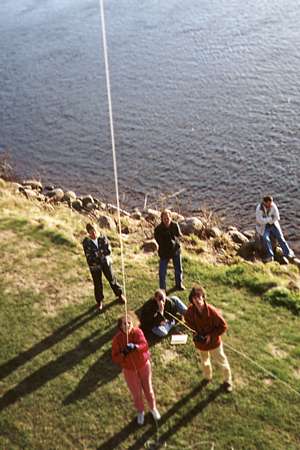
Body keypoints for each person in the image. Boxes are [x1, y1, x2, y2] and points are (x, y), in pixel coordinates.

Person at [112, 311, 161, 425]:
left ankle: (153, 408)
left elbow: (145, 346)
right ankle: (140, 412)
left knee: (148, 390)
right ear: (120, 326)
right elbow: (115, 358)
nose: (127, 325)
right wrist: (123, 353)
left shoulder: (138, 332)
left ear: (132, 323)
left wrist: (136, 347)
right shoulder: (117, 339)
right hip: (129, 370)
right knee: (136, 393)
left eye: (129, 323)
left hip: (144, 365)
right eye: (124, 324)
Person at [184, 285, 233, 392]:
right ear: (191, 300)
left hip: (214, 343)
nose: (197, 300)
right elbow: (187, 321)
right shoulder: (190, 311)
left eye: (199, 296)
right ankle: (207, 377)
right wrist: (195, 332)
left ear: (203, 297)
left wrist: (211, 335)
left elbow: (223, 326)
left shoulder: (212, 311)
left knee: (222, 361)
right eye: (194, 298)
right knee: (205, 361)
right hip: (201, 343)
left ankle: (227, 380)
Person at [82, 223, 126, 311]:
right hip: (94, 266)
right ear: (88, 233)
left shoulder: (102, 237)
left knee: (112, 279)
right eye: (91, 232)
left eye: (94, 231)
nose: (94, 234)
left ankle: (119, 294)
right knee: (97, 284)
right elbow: (89, 257)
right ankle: (99, 301)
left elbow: (108, 251)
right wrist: (100, 253)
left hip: (106, 263)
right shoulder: (86, 242)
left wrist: (97, 254)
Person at [256, 196, 295, 263]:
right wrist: (270, 219)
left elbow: (277, 217)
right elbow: (260, 220)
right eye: (268, 203)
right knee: (265, 238)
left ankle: (287, 253)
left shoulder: (273, 205)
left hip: (273, 224)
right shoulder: (259, 208)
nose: (270, 205)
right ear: (264, 202)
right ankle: (270, 255)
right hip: (264, 226)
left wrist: (269, 220)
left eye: (271, 203)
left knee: (280, 237)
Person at [154, 209, 184, 291]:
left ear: (171, 218)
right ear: (162, 219)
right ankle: (162, 289)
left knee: (178, 269)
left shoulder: (175, 225)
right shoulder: (158, 229)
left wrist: (175, 242)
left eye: (168, 218)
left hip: (175, 250)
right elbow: (159, 241)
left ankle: (179, 284)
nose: (166, 220)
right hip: (164, 252)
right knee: (162, 272)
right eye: (164, 219)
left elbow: (179, 236)